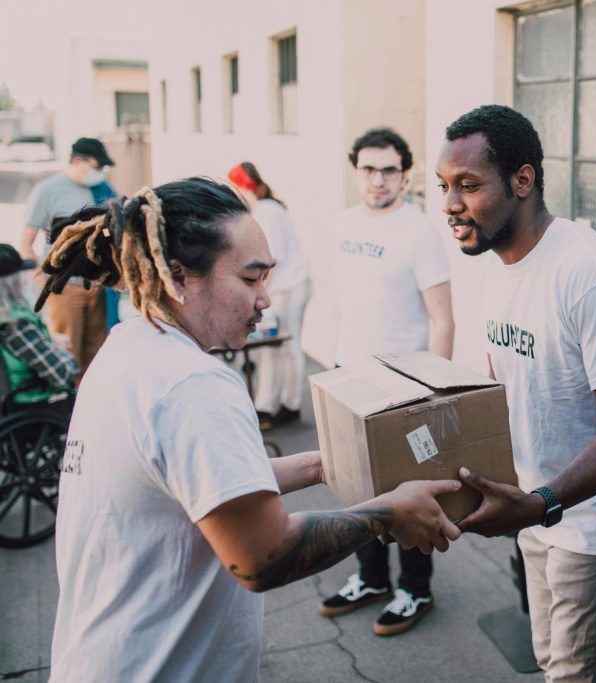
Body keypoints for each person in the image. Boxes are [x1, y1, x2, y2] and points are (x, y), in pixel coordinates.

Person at [43, 177, 462, 681]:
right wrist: (385, 514)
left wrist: (319, 465)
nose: (265, 299)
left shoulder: (130, 350)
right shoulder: (194, 385)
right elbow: (262, 557)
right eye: (250, 280)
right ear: (179, 276)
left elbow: (201, 481)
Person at [435, 105, 596, 683]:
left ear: (523, 180)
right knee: (552, 658)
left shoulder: (591, 274)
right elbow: (507, 384)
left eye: (468, 185)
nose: (450, 204)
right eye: (443, 187)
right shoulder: (496, 263)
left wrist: (541, 501)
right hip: (541, 508)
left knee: (576, 676)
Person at [318, 128, 455, 636]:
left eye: (389, 170)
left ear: (405, 174)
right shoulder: (342, 223)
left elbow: (442, 318)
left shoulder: (418, 230)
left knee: (413, 494)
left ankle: (415, 589)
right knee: (357, 491)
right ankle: (372, 579)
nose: (378, 179)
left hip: (405, 388)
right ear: (356, 170)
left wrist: (435, 398)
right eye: (369, 169)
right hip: (348, 378)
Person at [19, 137, 117, 378]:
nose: (99, 173)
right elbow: (26, 244)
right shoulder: (48, 191)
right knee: (67, 353)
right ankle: (68, 410)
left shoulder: (103, 191)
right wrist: (46, 285)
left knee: (98, 356)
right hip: (65, 289)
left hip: (99, 288)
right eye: (95, 167)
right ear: (76, 161)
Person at [227, 162, 311, 430]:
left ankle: (291, 404)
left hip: (290, 285)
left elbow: (270, 261)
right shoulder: (262, 210)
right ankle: (268, 404)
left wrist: (255, 291)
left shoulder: (268, 212)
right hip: (282, 285)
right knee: (272, 348)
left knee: (288, 345)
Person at [0, 243, 77, 414]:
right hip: (29, 405)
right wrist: (61, 350)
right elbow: (62, 374)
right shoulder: (15, 325)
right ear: (12, 283)